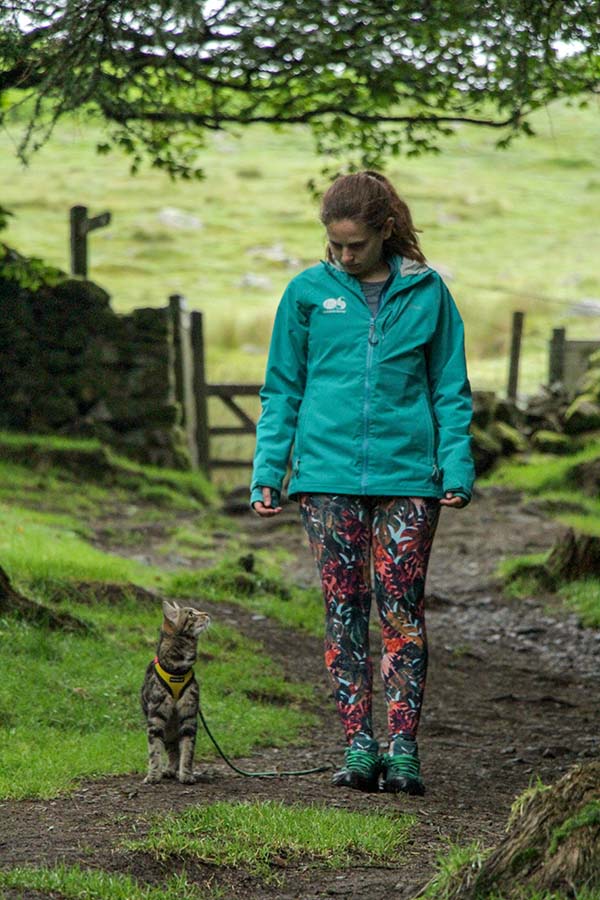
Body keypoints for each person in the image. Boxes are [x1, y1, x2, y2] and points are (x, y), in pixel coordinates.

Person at [250, 171, 474, 795]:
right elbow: (282, 389)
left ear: (386, 230)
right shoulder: (306, 294)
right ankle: (357, 746)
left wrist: (455, 466)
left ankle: (403, 749)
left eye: (355, 244)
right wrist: (269, 471)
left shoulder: (429, 293)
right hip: (325, 478)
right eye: (335, 244)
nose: (344, 256)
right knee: (343, 610)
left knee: (400, 610)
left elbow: (449, 389)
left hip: (410, 478)